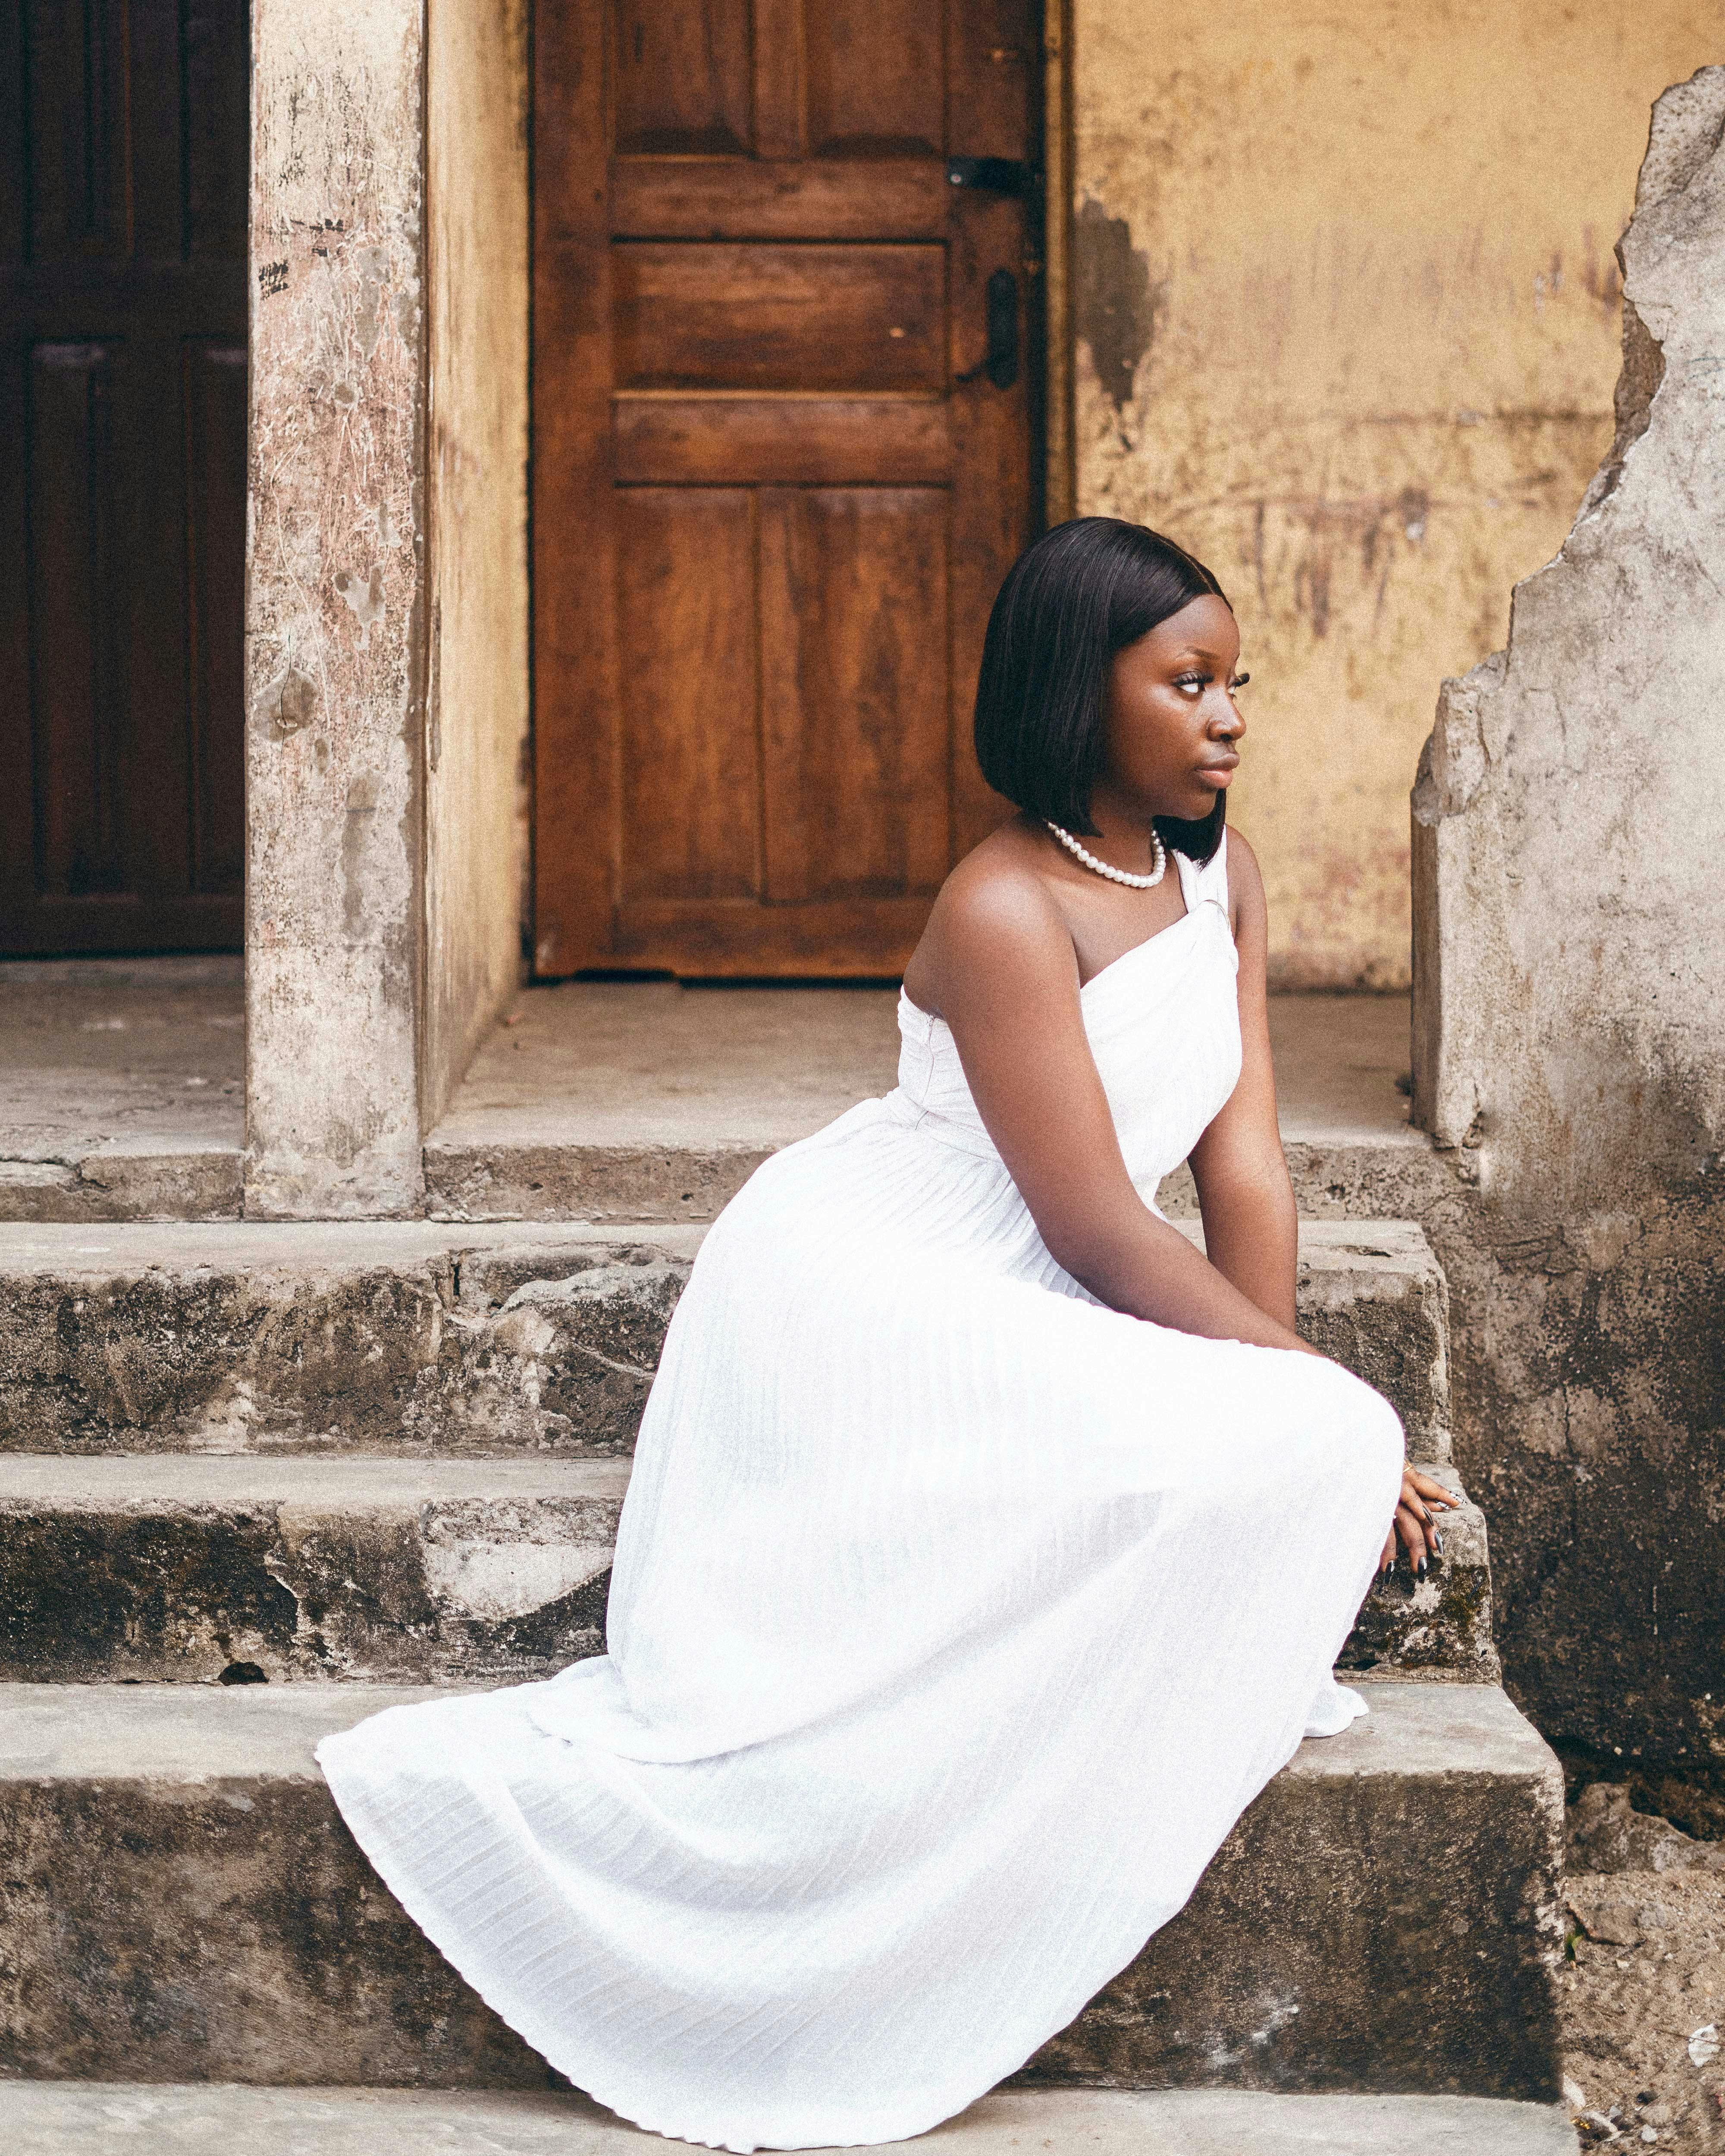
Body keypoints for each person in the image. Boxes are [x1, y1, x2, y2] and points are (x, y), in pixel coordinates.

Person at [319, 517, 1455, 2154]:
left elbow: (1246, 1166)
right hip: (888, 1287)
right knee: (1327, 1430)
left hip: (1050, 1284)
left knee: (1314, 1440)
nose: (1230, 718)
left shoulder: (1221, 875)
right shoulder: (1005, 906)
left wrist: (1294, 1436)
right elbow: (1092, 1227)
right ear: (1083, 694)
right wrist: (1325, 1415)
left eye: (1235, 682)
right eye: (1188, 683)